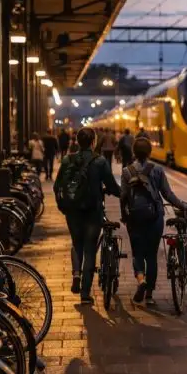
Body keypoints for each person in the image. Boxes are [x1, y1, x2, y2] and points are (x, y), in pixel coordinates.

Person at [121, 137, 187, 307]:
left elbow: (123, 197)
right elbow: (168, 194)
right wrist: (184, 206)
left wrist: (125, 216)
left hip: (134, 218)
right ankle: (149, 295)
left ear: (133, 152)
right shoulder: (157, 170)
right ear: (149, 152)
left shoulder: (126, 171)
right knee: (151, 256)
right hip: (155, 218)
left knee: (138, 253)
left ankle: (141, 280)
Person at [54, 128, 120, 306]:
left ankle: (76, 273)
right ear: (93, 142)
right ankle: (85, 293)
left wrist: (63, 206)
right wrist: (123, 194)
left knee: (77, 243)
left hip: (73, 210)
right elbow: (111, 185)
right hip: (93, 210)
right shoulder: (99, 161)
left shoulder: (68, 159)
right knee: (90, 249)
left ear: (77, 141)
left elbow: (57, 185)